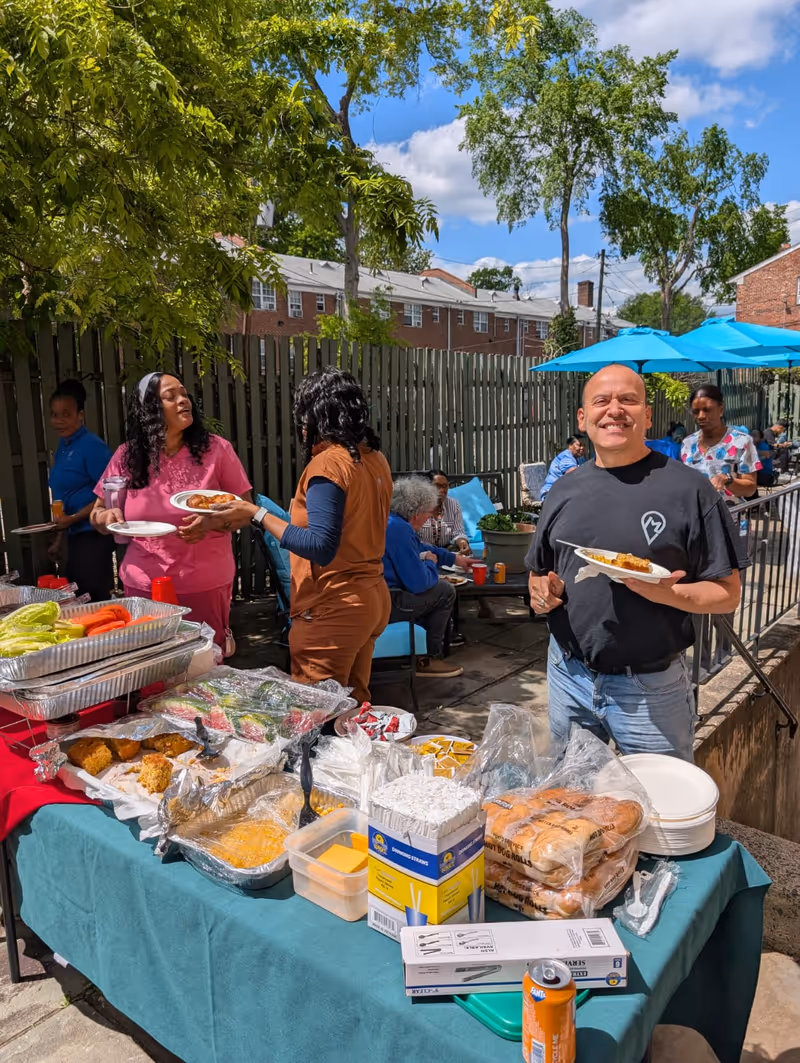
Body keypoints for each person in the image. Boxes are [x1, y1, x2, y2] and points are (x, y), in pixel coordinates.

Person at [527, 364, 746, 762]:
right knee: (570, 802)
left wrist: (668, 593)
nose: (614, 410)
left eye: (628, 400)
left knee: (661, 811)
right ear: (583, 417)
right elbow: (539, 570)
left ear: (647, 415)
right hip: (567, 673)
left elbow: (727, 594)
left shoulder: (689, 489)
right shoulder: (563, 488)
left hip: (650, 688)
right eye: (602, 401)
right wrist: (541, 593)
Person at [212, 368, 392, 704]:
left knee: (316, 717)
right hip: (371, 599)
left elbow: (320, 546)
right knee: (353, 710)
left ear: (314, 416)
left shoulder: (329, 465)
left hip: (334, 608)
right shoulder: (373, 458)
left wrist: (257, 514)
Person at [90, 372, 251, 649]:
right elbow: (98, 511)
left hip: (203, 581)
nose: (182, 401)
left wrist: (210, 523)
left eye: (184, 394)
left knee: (203, 664)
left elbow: (246, 510)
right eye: (170, 396)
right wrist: (106, 518)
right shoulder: (126, 456)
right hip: (143, 584)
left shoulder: (217, 450)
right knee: (151, 668)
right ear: (150, 409)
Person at [384, 476, 474, 679]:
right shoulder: (399, 530)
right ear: (416, 512)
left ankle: (417, 652)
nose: (429, 517)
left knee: (437, 590)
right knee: (444, 591)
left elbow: (420, 548)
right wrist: (431, 563)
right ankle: (427, 659)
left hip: (382, 596)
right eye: (428, 513)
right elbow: (420, 584)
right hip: (389, 602)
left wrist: (453, 559)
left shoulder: (393, 522)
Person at [47, 380, 115, 601]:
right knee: (76, 599)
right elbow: (64, 496)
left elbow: (109, 492)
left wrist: (75, 518)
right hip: (74, 536)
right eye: (54, 414)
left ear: (80, 415)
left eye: (66, 414)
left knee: (92, 599)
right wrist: (60, 538)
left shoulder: (92, 447)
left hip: (93, 535)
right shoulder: (64, 446)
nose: (59, 421)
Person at [681, 384, 760, 500]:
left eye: (707, 410)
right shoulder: (688, 443)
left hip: (729, 515)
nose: (701, 416)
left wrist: (727, 480)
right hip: (695, 515)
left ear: (721, 409)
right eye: (696, 411)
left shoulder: (742, 441)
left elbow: (750, 488)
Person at [417, 469, 471, 555]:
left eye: (445, 486)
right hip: (422, 552)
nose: (442, 490)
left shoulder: (453, 504)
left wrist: (462, 542)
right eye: (437, 486)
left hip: (446, 551)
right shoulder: (417, 506)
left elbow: (458, 532)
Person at [539, 435, 586, 501]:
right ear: (570, 445)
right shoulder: (566, 456)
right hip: (551, 493)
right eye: (579, 445)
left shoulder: (580, 458)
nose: (582, 448)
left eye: (584, 445)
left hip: (564, 492)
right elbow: (572, 474)